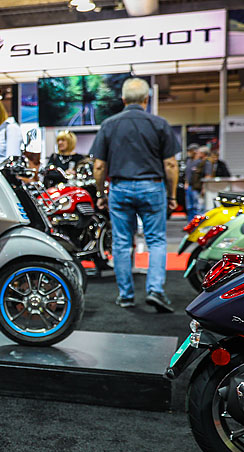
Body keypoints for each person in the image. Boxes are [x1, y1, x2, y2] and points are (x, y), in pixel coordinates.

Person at [91, 77, 179, 313]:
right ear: (146, 99)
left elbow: (99, 166)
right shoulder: (159, 124)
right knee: (157, 240)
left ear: (122, 99)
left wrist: (101, 192)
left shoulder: (109, 125)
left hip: (120, 188)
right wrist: (172, 195)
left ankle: (126, 295)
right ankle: (155, 290)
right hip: (152, 187)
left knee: (121, 242)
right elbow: (170, 164)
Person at [183, 143, 201, 218]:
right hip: (189, 186)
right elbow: (187, 174)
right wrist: (186, 182)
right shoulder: (188, 161)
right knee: (189, 206)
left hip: (196, 187)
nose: (189, 153)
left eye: (190, 151)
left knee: (196, 206)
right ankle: (190, 223)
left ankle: (196, 224)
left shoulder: (200, 162)